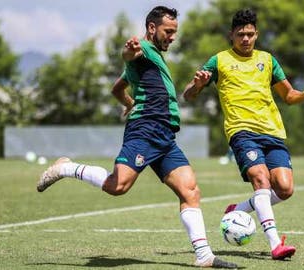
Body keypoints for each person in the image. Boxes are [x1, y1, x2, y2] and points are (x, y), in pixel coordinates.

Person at [37, 6, 237, 269]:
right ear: (152, 28)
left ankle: (204, 256)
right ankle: (66, 167)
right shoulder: (141, 50)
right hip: (145, 130)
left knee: (190, 190)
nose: (172, 37)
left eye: (175, 32)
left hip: (165, 135)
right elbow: (129, 53)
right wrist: (129, 51)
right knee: (116, 187)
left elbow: (117, 88)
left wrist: (130, 102)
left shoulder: (153, 58)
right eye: (168, 31)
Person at [182, 9, 304, 260]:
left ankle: (238, 209)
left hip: (272, 131)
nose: (245, 39)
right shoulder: (218, 61)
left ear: (256, 34)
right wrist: (198, 84)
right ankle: (274, 245)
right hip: (241, 131)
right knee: (261, 179)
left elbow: (289, 96)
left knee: (285, 188)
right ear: (231, 35)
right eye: (240, 35)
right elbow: (188, 94)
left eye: (250, 34)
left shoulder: (268, 60)